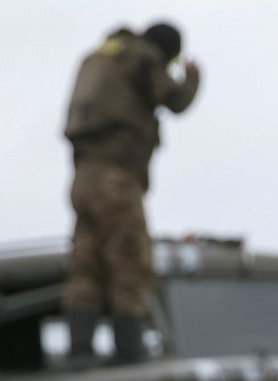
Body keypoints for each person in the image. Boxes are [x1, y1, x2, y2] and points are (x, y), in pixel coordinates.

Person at [61, 20, 201, 363]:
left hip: (82, 177)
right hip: (117, 178)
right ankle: (129, 352)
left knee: (86, 265)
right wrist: (193, 76)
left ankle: (80, 352)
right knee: (130, 262)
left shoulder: (100, 55)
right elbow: (174, 99)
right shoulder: (141, 57)